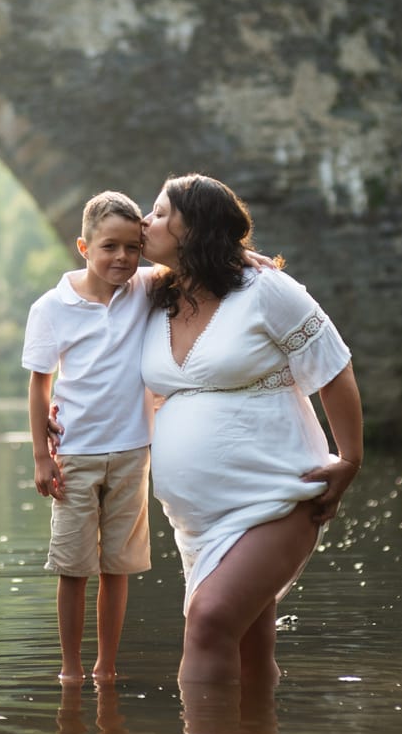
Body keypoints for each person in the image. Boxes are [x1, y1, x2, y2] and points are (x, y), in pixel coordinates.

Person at [140, 173, 363, 687]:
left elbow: (334, 368)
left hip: (278, 493)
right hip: (197, 520)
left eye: (160, 213)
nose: (146, 222)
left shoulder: (266, 290)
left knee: (210, 619)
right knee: (249, 645)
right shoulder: (149, 295)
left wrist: (350, 459)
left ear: (193, 229)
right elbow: (88, 286)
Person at [22, 191, 153, 683]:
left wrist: (253, 259)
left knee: (118, 567)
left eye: (133, 247)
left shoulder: (146, 289)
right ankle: (71, 669)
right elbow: (40, 384)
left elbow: (195, 254)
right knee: (73, 568)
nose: (122, 257)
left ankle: (106, 668)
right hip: (75, 454)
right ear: (83, 247)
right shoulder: (51, 307)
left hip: (132, 452)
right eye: (109, 246)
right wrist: (42, 457)